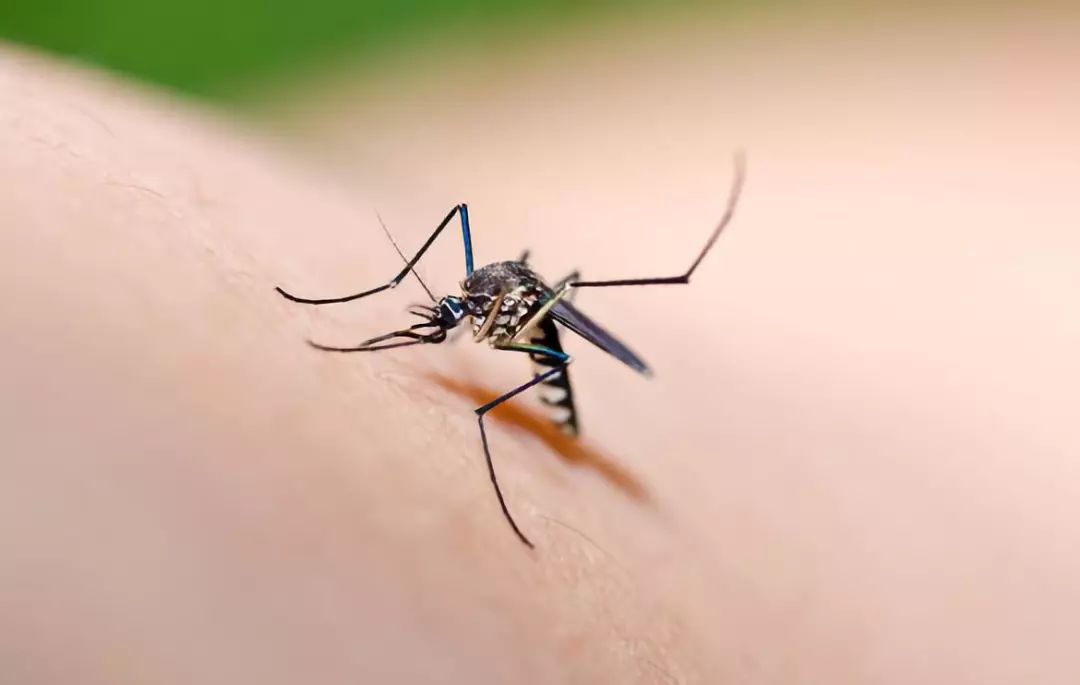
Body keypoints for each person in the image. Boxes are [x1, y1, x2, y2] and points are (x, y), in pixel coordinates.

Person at [4, 11, 1078, 683]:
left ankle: (630, 309)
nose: (437, 326)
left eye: (436, 317)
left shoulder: (509, 324)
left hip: (552, 338)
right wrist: (388, 298)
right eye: (435, 316)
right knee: (473, 220)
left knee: (516, 338)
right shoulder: (462, 296)